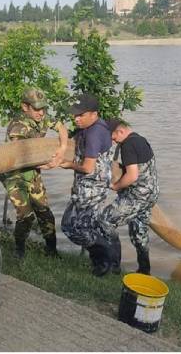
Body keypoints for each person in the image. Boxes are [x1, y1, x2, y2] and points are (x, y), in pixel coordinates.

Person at [0, 88, 69, 259]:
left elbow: (61, 127)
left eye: (43, 108)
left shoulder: (42, 117)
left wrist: (62, 148)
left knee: (45, 213)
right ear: (25, 107)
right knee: (26, 216)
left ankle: (51, 251)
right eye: (37, 109)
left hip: (32, 173)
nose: (41, 113)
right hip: (15, 176)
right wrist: (47, 164)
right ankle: (19, 252)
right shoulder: (18, 127)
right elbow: (22, 155)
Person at [60, 94, 117, 277]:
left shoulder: (93, 133)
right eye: (75, 115)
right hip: (89, 186)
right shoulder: (93, 127)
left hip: (92, 187)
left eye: (81, 115)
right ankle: (104, 259)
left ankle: (104, 258)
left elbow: (87, 167)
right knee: (76, 224)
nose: (76, 119)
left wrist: (68, 165)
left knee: (73, 228)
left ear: (94, 114)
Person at [101, 119, 160, 275]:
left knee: (105, 221)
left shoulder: (128, 145)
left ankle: (113, 266)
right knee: (139, 232)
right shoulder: (141, 139)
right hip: (151, 194)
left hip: (137, 196)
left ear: (120, 131)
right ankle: (144, 270)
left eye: (113, 138)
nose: (113, 141)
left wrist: (115, 186)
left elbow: (132, 176)